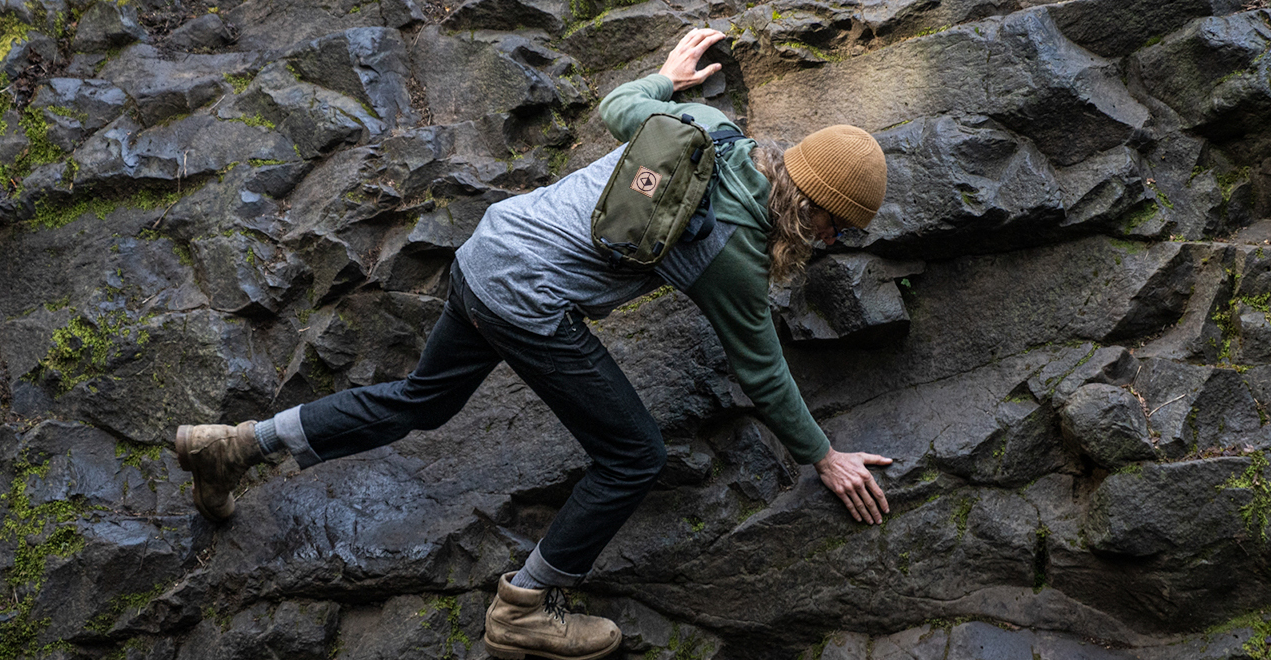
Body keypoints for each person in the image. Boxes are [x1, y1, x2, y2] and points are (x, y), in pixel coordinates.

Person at [173, 28, 894, 660]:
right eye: (842, 230)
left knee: (425, 401)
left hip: (491, 248)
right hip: (528, 303)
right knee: (634, 455)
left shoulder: (708, 122)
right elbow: (761, 371)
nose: (837, 244)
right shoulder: (732, 254)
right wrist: (823, 458)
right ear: (817, 216)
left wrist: (663, 79)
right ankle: (524, 609)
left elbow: (617, 108)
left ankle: (235, 446)